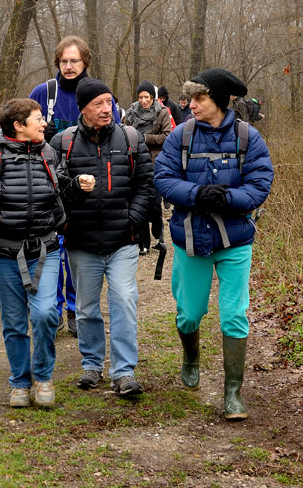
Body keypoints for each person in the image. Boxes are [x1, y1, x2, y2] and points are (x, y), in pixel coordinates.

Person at [153, 67, 273, 421]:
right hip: (191, 237)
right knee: (189, 313)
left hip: (235, 240)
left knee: (234, 315)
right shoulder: (181, 136)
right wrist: (197, 193)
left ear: (219, 101)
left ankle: (232, 392)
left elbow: (260, 184)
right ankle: (190, 356)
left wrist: (227, 199)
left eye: (199, 98)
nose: (190, 105)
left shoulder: (248, 138)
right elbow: (163, 177)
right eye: (189, 98)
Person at [0, 99, 93, 408]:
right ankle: (20, 383)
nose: (43, 124)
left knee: (47, 314)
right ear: (19, 126)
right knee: (14, 322)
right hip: (2, 254)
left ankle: (44, 377)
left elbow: (58, 190)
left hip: (43, 251)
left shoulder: (47, 153)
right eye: (37, 119)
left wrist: (78, 185)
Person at [52, 78, 156, 397]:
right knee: (85, 307)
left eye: (109, 102)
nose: (105, 109)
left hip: (122, 239)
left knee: (124, 300)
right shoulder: (62, 142)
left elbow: (146, 185)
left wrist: (132, 219)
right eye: (97, 104)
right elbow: (54, 190)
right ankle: (92, 364)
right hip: (81, 241)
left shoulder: (131, 138)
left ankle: (123, 371)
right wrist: (72, 190)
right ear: (83, 108)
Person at [28, 36, 121, 337]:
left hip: (88, 185)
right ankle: (52, 309)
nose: (69, 66)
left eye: (75, 61)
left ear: (85, 63)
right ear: (57, 62)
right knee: (51, 247)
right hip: (47, 181)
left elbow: (115, 135)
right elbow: (22, 131)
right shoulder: (44, 93)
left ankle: (73, 306)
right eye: (64, 61)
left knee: (77, 250)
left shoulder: (100, 94)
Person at [121, 80, 176, 157]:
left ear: (152, 97)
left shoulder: (162, 112)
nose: (143, 101)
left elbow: (167, 136)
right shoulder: (131, 111)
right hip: (135, 154)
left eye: (146, 97)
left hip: (155, 156)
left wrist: (145, 137)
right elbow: (124, 132)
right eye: (140, 97)